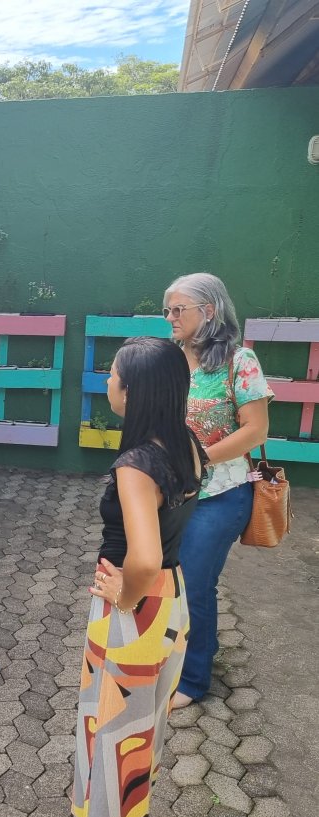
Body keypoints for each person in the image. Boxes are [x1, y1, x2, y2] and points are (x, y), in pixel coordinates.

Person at [67, 337, 206, 817]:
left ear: (134, 391)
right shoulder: (187, 442)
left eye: (113, 374)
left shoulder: (136, 465)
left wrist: (124, 598)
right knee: (141, 742)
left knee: (111, 747)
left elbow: (143, 558)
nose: (107, 381)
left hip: (137, 612)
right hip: (171, 602)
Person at [163, 273, 272, 709]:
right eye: (167, 310)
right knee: (169, 578)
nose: (170, 317)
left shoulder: (239, 361)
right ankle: (179, 650)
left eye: (178, 309)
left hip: (222, 494)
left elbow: (256, 430)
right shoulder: (169, 359)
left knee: (194, 582)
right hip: (171, 492)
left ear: (208, 311)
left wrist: (200, 458)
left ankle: (193, 679)